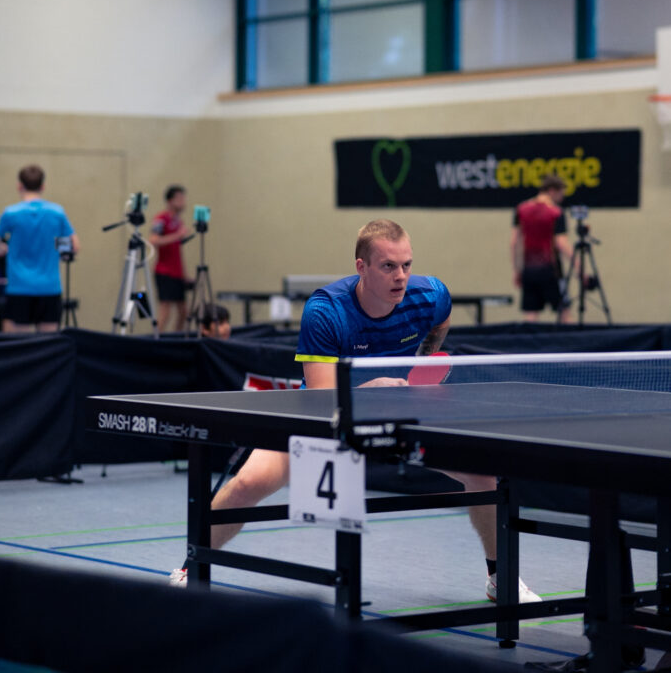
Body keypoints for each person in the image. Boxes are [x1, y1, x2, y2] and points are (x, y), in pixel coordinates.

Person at [171, 219, 540, 603]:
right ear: (361, 267)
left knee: (483, 474)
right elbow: (320, 397)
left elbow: (441, 319)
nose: (401, 276)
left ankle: (500, 576)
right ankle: (190, 568)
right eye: (388, 266)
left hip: (398, 415)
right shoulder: (326, 310)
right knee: (249, 483)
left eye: (406, 265)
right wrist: (369, 389)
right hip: (325, 419)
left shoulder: (429, 295)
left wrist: (423, 359)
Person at [0, 165, 79, 332]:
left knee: (16, 345)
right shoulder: (57, 212)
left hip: (19, 288)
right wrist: (52, 246)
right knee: (48, 344)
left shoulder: (11, 213)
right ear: (43, 186)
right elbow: (74, 246)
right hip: (49, 288)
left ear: (19, 186)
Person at [511, 175, 575, 323]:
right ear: (552, 191)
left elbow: (514, 242)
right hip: (551, 271)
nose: (562, 198)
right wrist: (579, 268)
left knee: (531, 317)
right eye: (561, 194)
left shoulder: (522, 209)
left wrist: (517, 270)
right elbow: (561, 243)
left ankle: (529, 339)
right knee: (565, 314)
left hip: (529, 271)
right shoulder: (555, 212)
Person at [149, 185, 190, 333]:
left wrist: (184, 275)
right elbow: (153, 240)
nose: (183, 202)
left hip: (177, 273)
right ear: (170, 201)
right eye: (179, 198)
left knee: (184, 312)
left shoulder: (179, 222)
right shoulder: (161, 219)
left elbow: (178, 252)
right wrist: (177, 235)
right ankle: (156, 339)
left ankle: (177, 338)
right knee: (165, 311)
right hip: (164, 271)